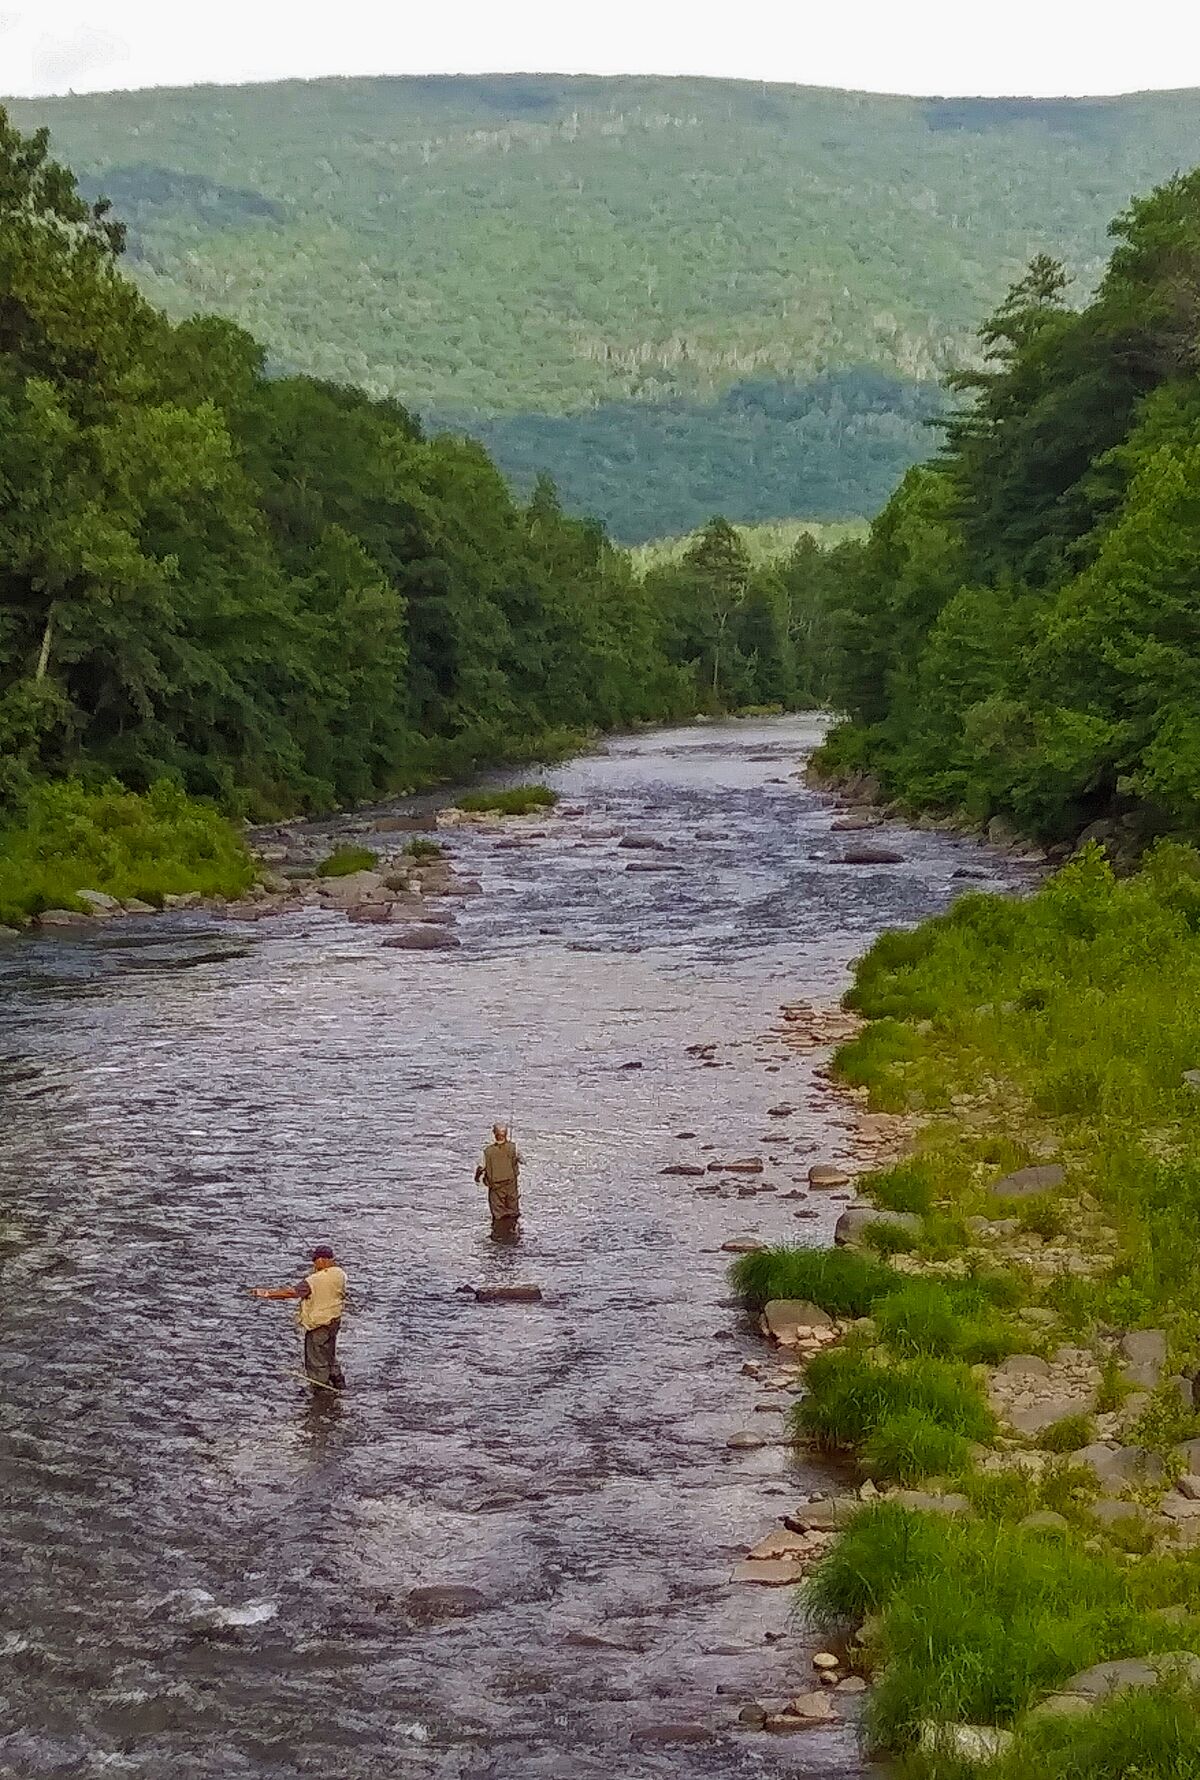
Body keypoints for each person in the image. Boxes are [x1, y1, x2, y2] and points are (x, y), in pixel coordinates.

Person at [250, 1245, 347, 1390]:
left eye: (315, 1261)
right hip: (334, 1322)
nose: (314, 1264)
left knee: (316, 1359)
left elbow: (292, 1293)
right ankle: (338, 1382)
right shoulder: (340, 1274)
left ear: (321, 1260)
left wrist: (267, 1293)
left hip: (318, 1324)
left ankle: (321, 1389)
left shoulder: (313, 1280)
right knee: (329, 1354)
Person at [475, 1123, 522, 1229]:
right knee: (513, 1212)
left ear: (494, 1134)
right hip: (511, 1185)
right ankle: (513, 1233)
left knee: (498, 1215)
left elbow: (481, 1168)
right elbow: (523, 1160)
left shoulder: (487, 1152)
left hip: (495, 1187)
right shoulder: (513, 1147)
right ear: (506, 1134)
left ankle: (500, 1234)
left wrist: (477, 1178)